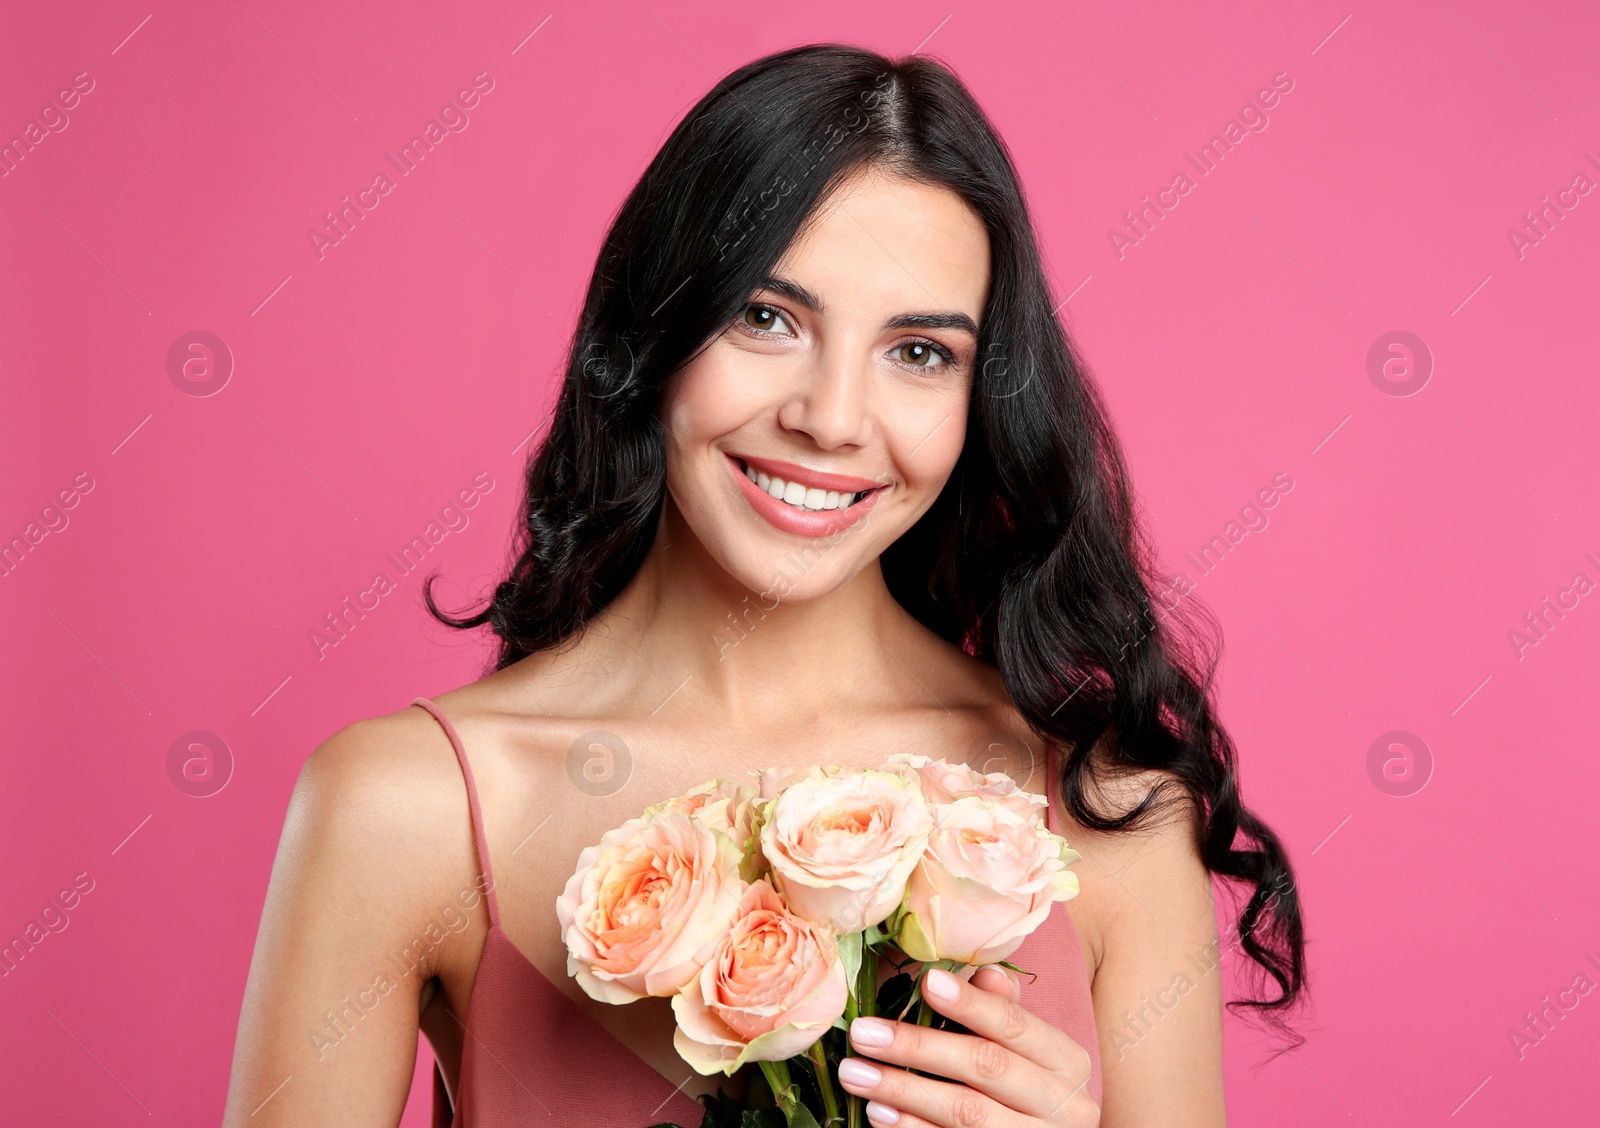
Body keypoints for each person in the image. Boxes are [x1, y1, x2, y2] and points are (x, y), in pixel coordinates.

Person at [223, 43, 1304, 1128]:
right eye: (766, 317)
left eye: (919, 352)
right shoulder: (402, 811)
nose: (831, 418)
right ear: (655, 329)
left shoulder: (1107, 815)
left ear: (984, 400)